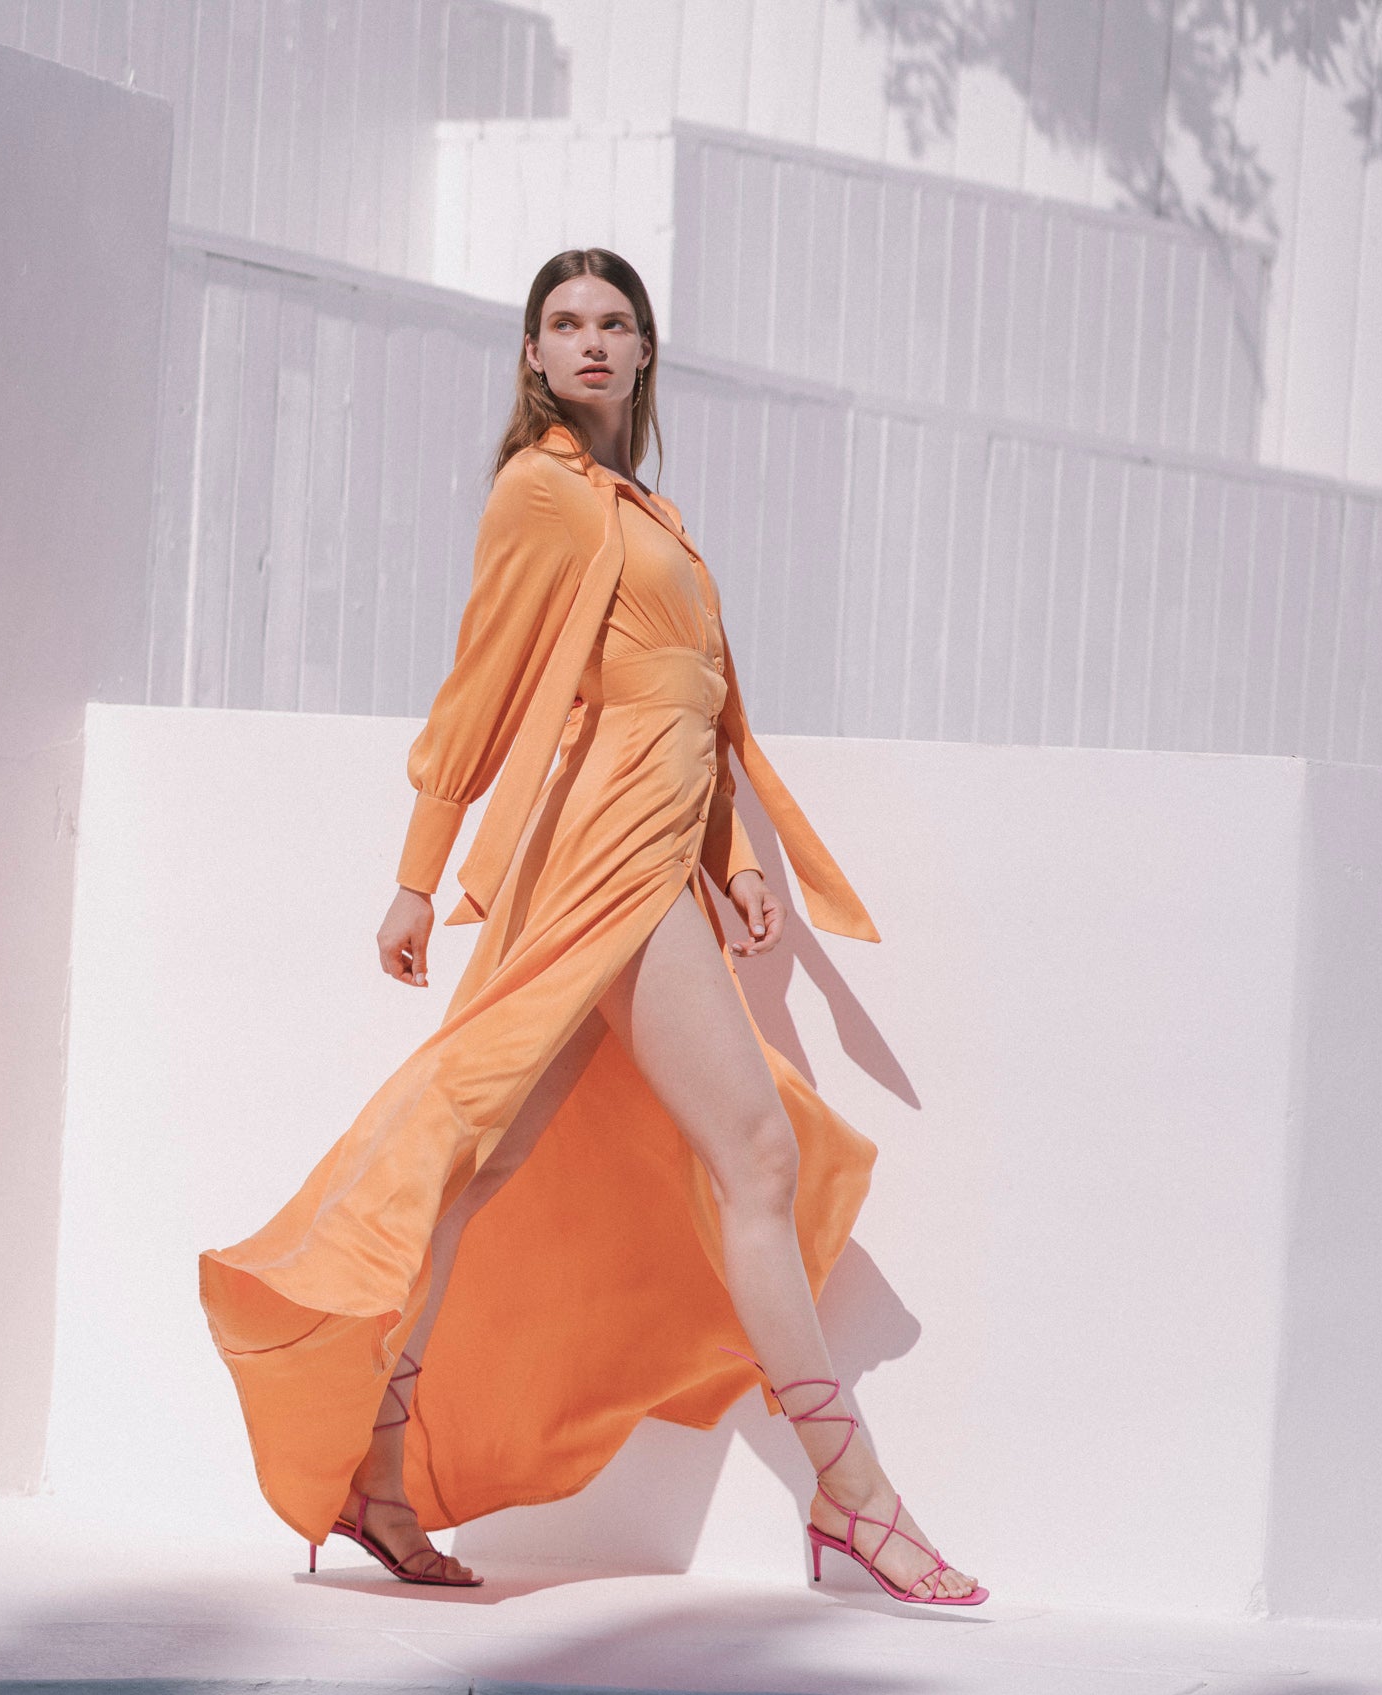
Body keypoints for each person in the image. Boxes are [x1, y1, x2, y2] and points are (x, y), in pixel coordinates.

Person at [199, 247, 984, 1606]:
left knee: (489, 1160)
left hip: (654, 851)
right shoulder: (541, 494)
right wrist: (417, 874)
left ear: (644, 349)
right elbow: (484, 689)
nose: (592, 344)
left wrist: (729, 856)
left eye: (615, 323)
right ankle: (853, 1499)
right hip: (601, 856)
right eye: (564, 324)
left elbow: (689, 700)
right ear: (531, 355)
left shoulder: (644, 509)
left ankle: (378, 1468)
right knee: (747, 1156)